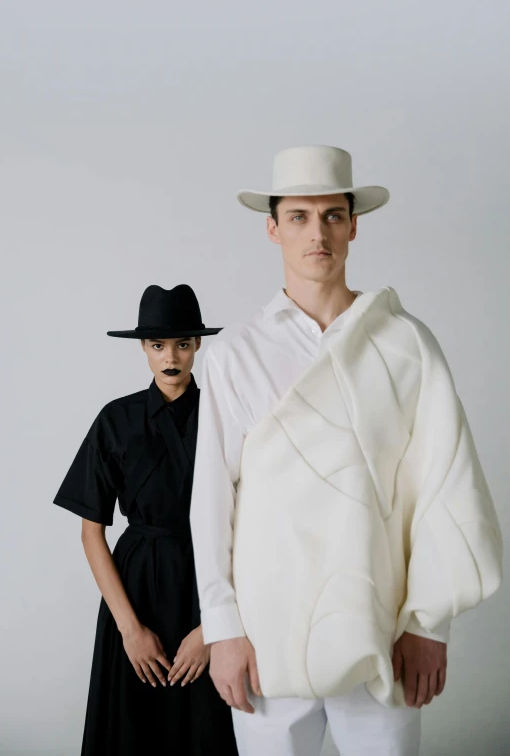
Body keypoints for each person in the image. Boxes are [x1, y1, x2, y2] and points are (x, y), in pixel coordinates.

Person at [189, 146, 503, 756]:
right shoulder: (234, 353)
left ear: (354, 225)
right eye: (300, 216)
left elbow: (445, 485)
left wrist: (426, 623)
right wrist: (223, 628)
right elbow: (211, 504)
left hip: (379, 632)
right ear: (273, 227)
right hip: (266, 636)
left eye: (333, 215)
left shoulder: (405, 343)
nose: (318, 234)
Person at [53, 284, 238, 756]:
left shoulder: (227, 415)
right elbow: (91, 532)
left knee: (208, 729)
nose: (170, 356)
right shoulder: (115, 419)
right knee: (130, 732)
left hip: (208, 584)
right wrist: (130, 631)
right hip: (133, 591)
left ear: (198, 345)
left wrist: (214, 627)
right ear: (143, 348)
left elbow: (250, 525)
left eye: (181, 343)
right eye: (157, 345)